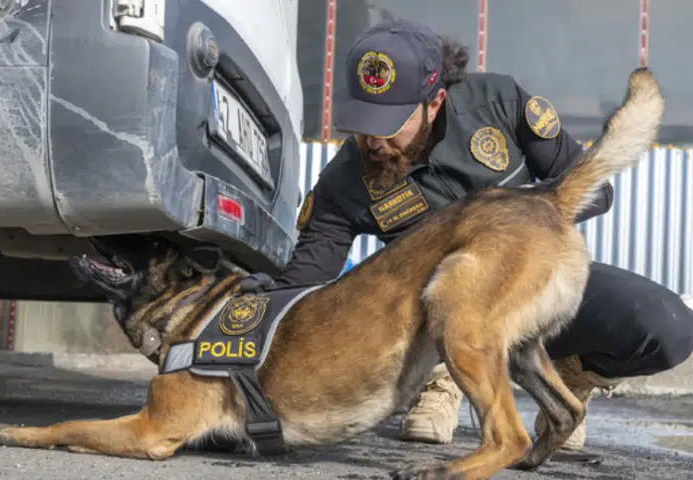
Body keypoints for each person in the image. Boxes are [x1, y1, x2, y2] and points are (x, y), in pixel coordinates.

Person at [274, 18, 693, 451]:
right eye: (362, 122)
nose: (372, 141)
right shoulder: (344, 181)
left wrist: (505, 219)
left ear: (434, 102)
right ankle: (441, 381)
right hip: (437, 325)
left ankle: (569, 377)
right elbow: (302, 290)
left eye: (389, 123)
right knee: (434, 301)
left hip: (526, 291)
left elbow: (597, 193)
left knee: (666, 328)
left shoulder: (498, 104)